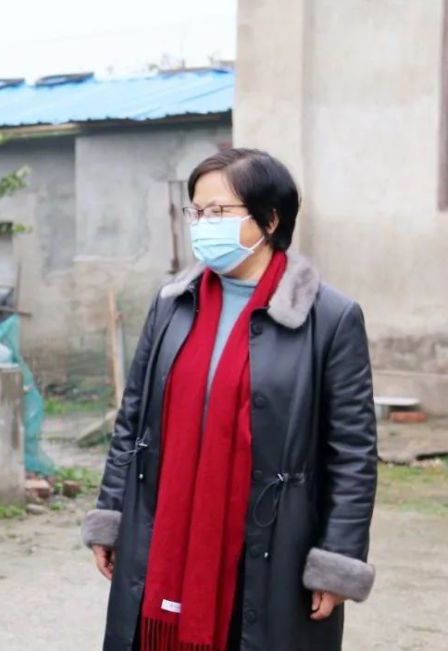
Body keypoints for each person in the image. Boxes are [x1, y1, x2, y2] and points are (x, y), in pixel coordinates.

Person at [81, 148, 377, 651]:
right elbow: (132, 423)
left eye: (219, 212)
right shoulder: (172, 304)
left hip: (271, 542)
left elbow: (352, 453)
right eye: (196, 211)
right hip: (163, 531)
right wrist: (112, 516)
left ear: (270, 218)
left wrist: (337, 557)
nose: (203, 224)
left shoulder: (329, 318)